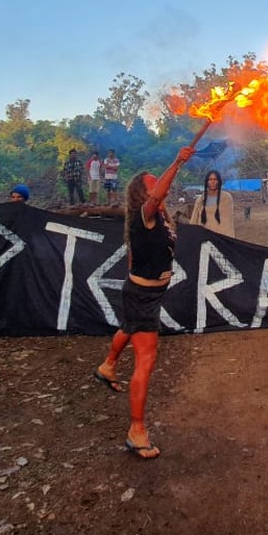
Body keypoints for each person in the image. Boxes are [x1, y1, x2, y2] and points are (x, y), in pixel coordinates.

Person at [93, 144, 195, 460]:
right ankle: (136, 431)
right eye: (152, 181)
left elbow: (135, 256)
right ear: (143, 192)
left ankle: (107, 366)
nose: (158, 183)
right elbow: (156, 197)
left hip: (145, 292)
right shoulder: (144, 215)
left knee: (129, 327)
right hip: (142, 296)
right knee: (146, 360)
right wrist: (177, 161)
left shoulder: (160, 219)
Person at [190, 169, 235, 237]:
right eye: (210, 179)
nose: (213, 182)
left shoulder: (226, 198)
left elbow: (228, 223)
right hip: (203, 236)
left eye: (215, 179)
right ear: (207, 182)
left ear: (218, 181)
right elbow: (194, 219)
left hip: (220, 237)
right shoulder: (200, 200)